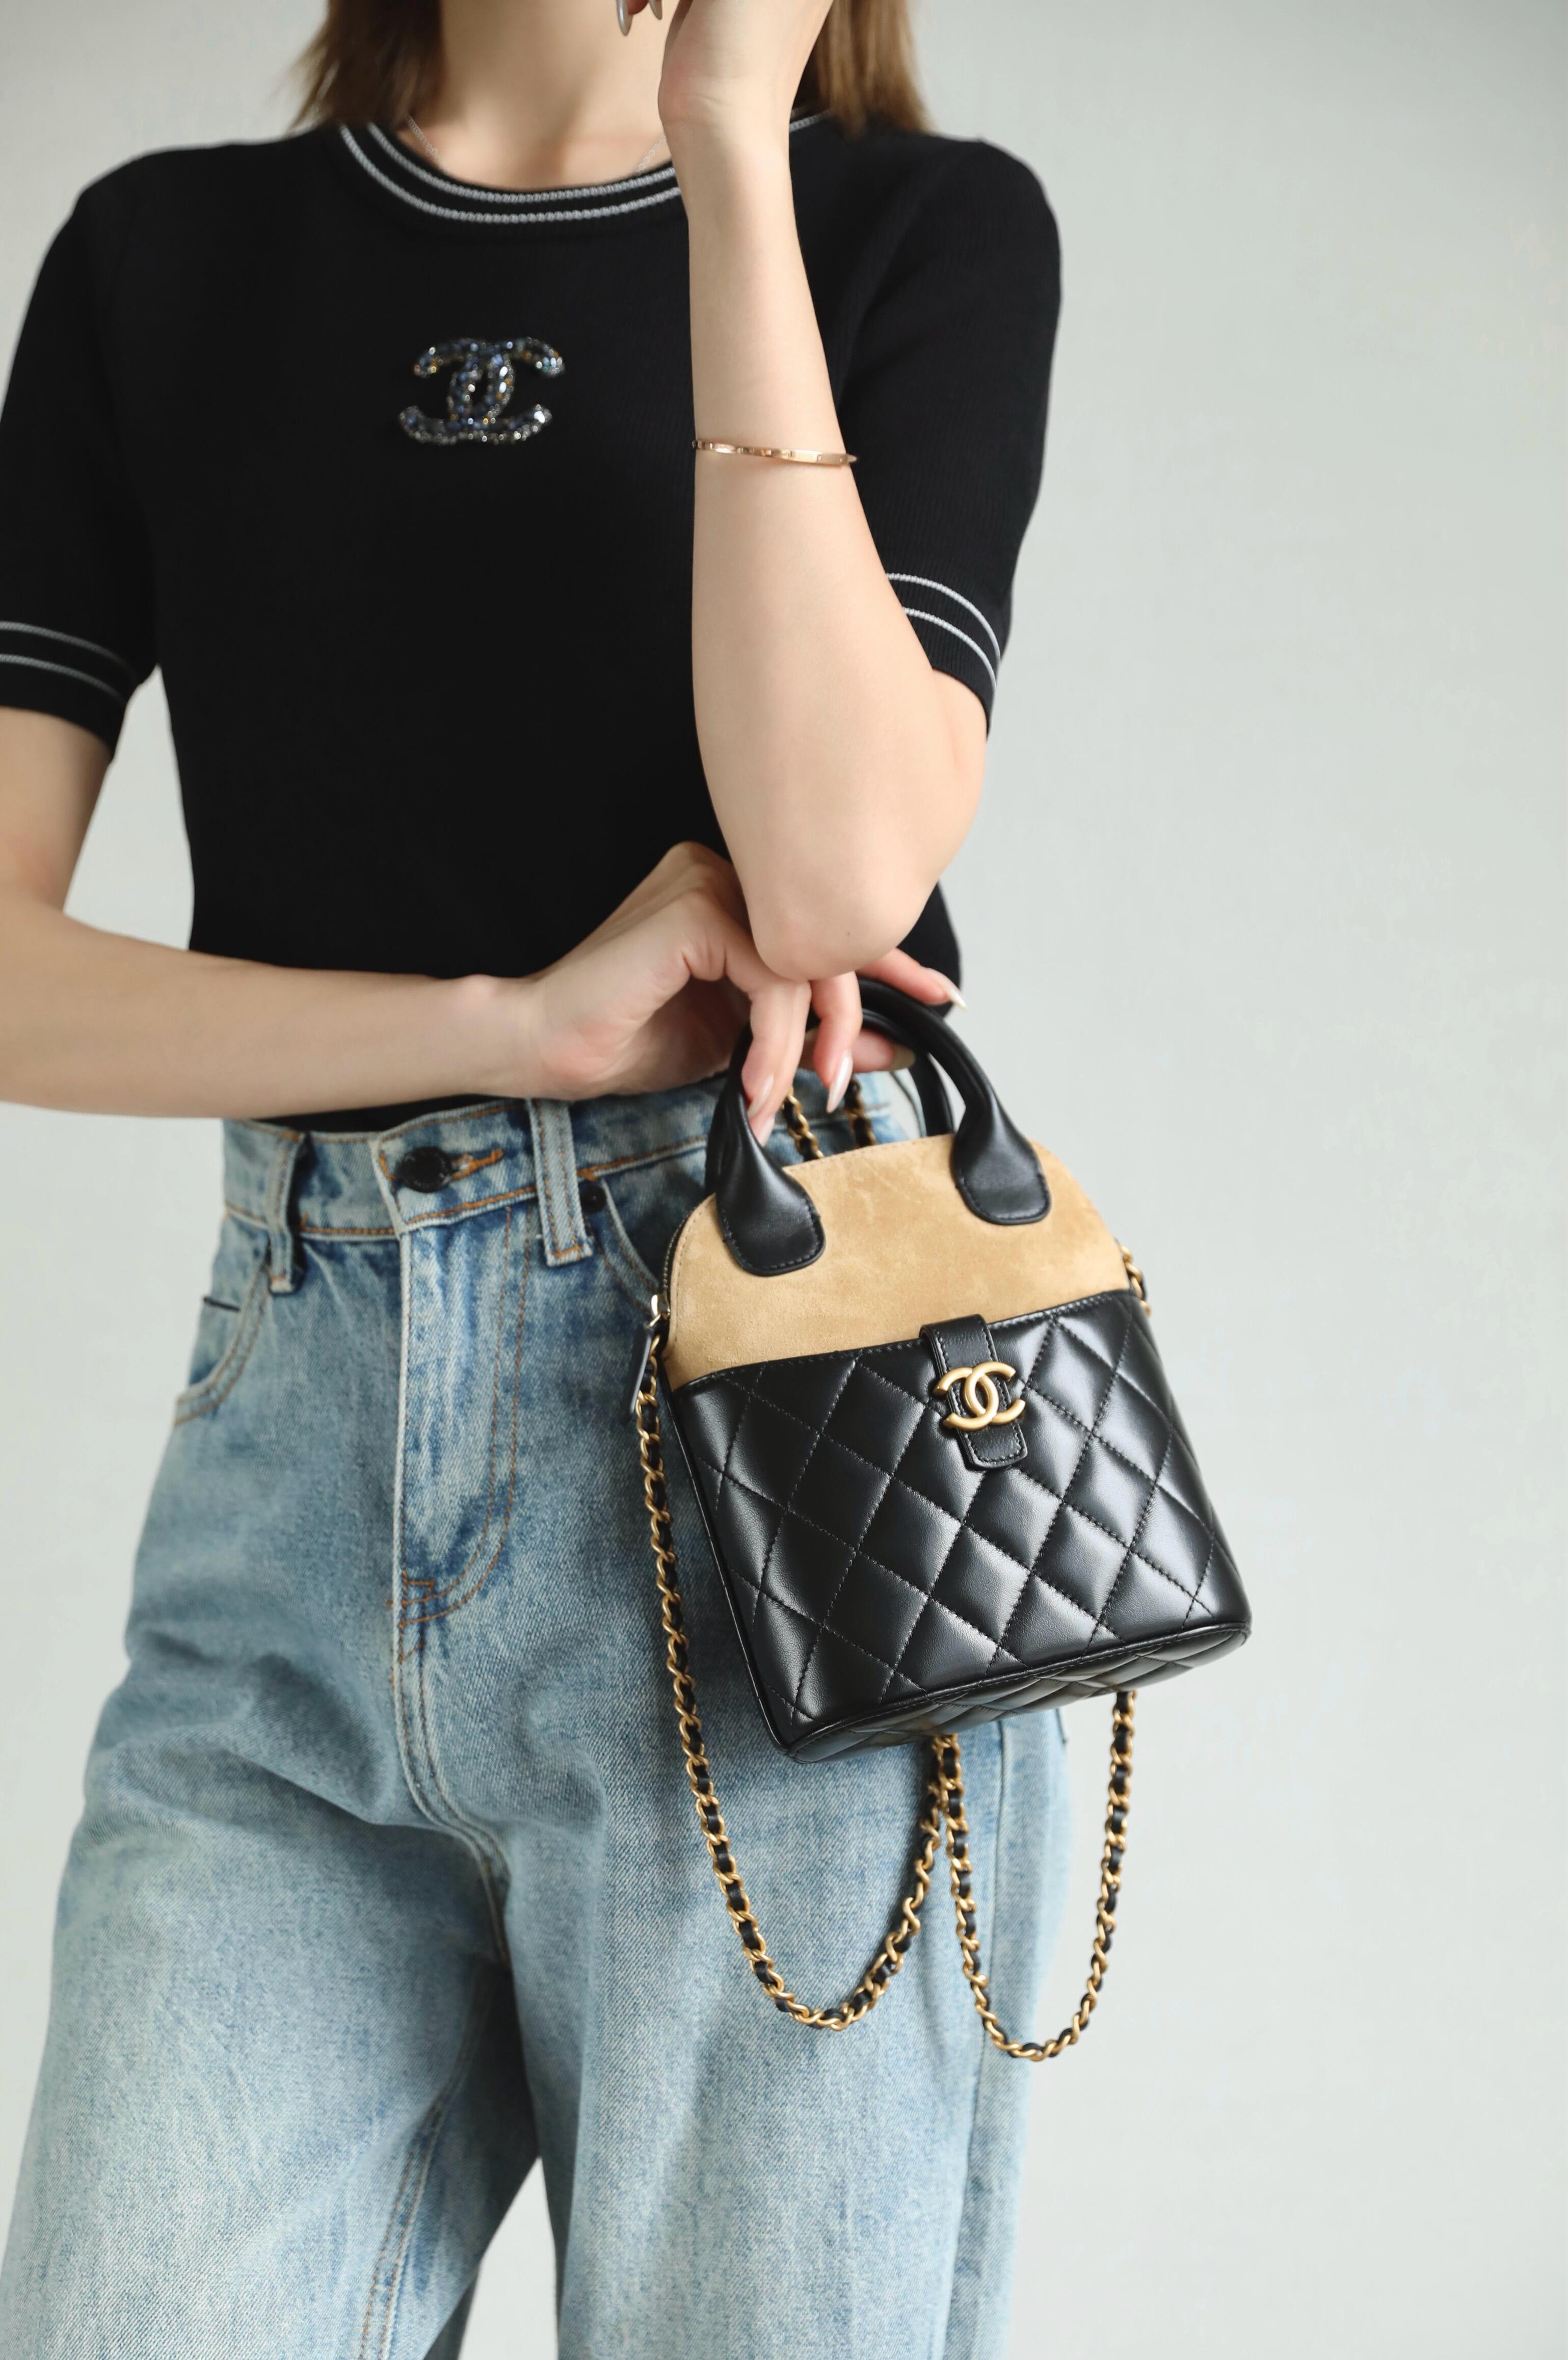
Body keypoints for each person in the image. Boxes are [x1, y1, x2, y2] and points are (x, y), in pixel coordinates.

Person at [0, 1, 1068, 2351]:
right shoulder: (164, 258)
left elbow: (836, 875)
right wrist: (498, 1028)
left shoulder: (909, 227)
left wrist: (724, 138)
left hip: (781, 1472)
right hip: (289, 1478)